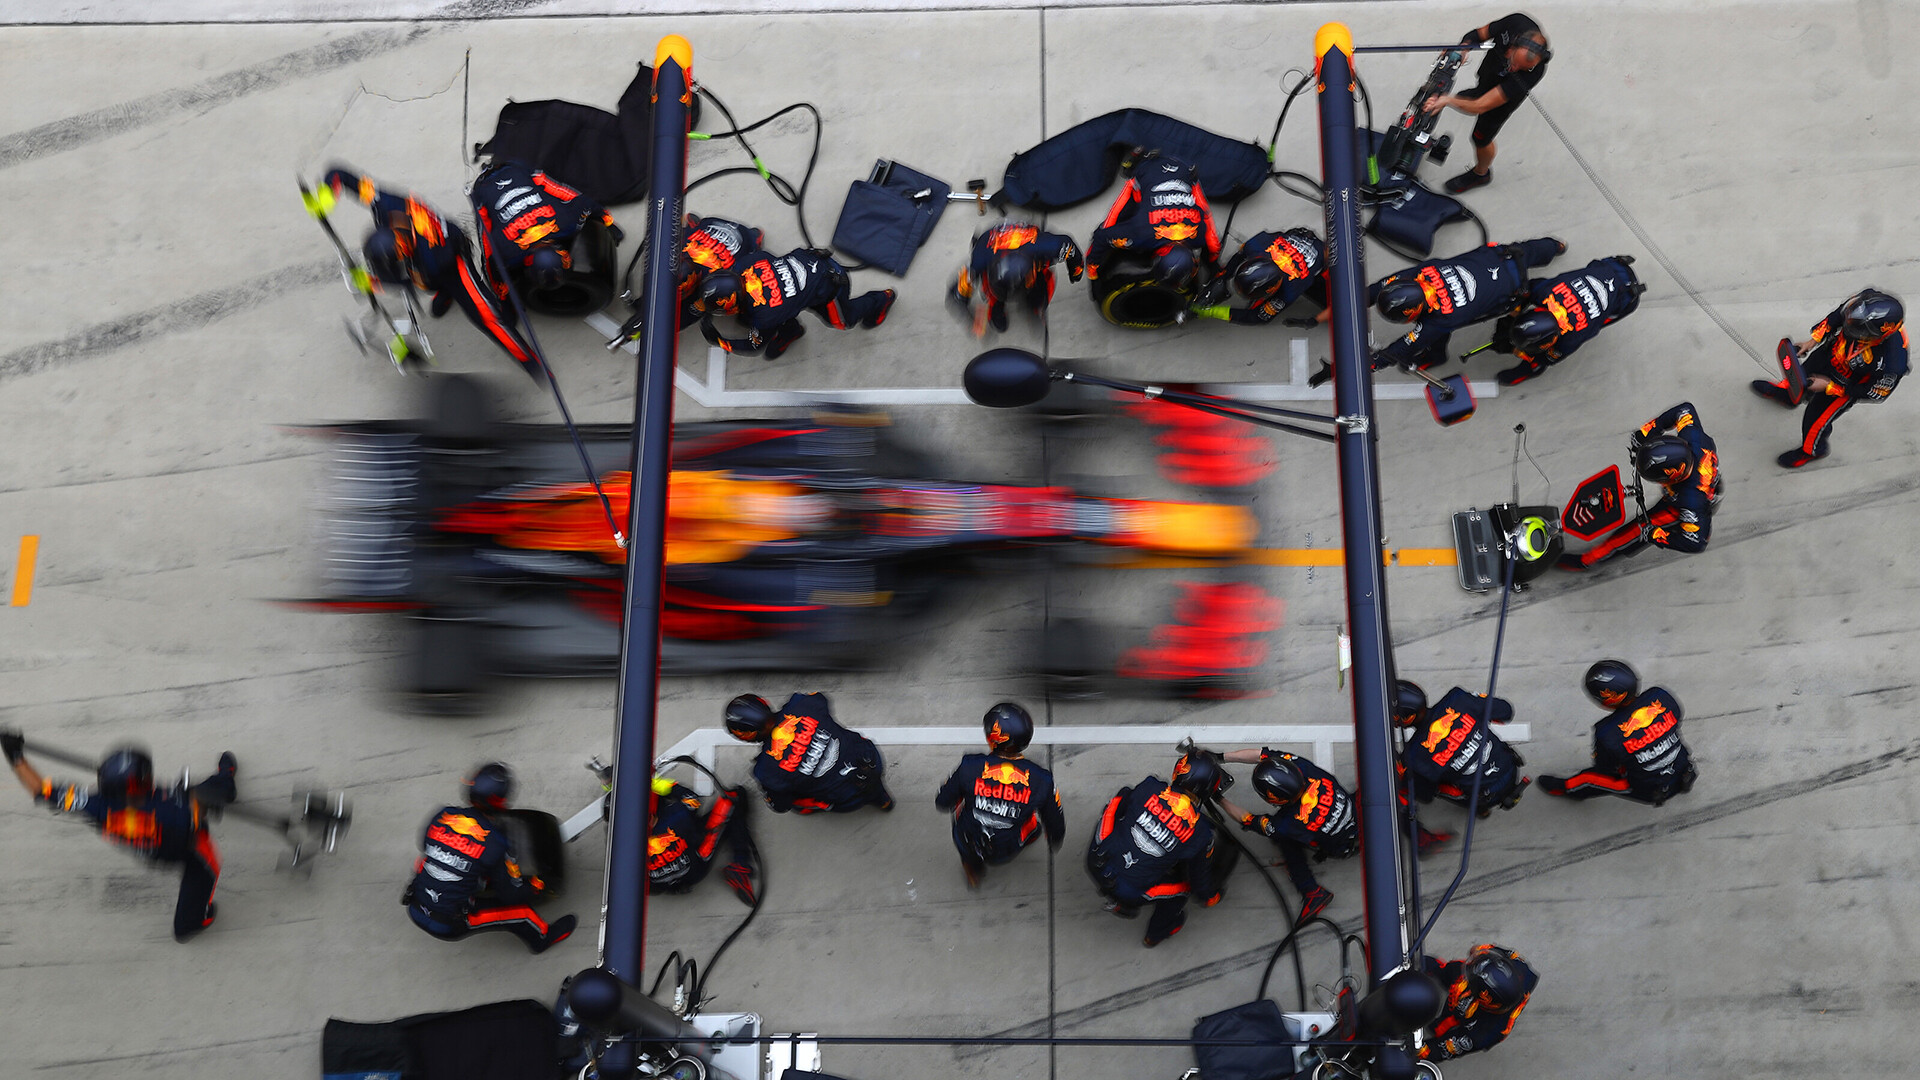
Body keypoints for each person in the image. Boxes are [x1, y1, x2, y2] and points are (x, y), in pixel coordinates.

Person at [315, 166, 543, 381]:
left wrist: (374, 283)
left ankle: (533, 365)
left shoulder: (431, 259)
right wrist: (327, 192)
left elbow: (411, 283)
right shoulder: (382, 202)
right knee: (433, 286)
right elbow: (340, 174)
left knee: (487, 318)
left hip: (453, 262)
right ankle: (446, 293)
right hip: (429, 259)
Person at [4, 734, 236, 942]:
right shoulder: (169, 812)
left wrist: (15, 757)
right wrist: (195, 803)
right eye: (145, 778)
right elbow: (195, 819)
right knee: (206, 864)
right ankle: (193, 922)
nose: (150, 778)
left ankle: (188, 921)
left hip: (153, 851)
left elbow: (41, 790)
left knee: (193, 795)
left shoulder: (93, 804)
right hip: (185, 845)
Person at [1309, 238, 1563, 384]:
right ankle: (1556, 246)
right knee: (1530, 250)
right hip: (1503, 256)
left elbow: (1392, 354)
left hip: (1514, 291)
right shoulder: (1421, 274)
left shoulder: (1441, 318)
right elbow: (1377, 290)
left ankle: (1437, 353)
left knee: (1532, 304)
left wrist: (1338, 370)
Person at [402, 763, 577, 953]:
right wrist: (537, 885)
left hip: (414, 907)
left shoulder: (441, 815)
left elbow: (426, 847)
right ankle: (542, 939)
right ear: (501, 800)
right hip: (449, 923)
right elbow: (510, 894)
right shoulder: (496, 843)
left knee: (430, 860)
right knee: (522, 913)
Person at [1085, 751, 1236, 947]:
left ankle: (1119, 886)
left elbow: (1118, 803)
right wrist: (1210, 896)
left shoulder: (1150, 787)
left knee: (1120, 800)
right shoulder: (1200, 833)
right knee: (1182, 891)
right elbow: (1198, 878)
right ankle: (1155, 935)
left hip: (1096, 859)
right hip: (1129, 889)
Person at [1751, 288, 1908, 468]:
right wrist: (1813, 341)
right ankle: (1789, 396)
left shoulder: (1893, 363)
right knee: (1799, 374)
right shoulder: (1861, 304)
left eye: (1855, 328)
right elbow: (1838, 315)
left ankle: (1814, 450)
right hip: (1830, 354)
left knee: (1814, 420)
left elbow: (1874, 393)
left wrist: (1829, 387)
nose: (1848, 327)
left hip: (1845, 386)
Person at [1558, 401, 1720, 571]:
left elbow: (1697, 542)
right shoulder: (1693, 435)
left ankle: (1587, 561)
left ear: (1672, 475)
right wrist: (1645, 434)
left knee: (1633, 533)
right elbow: (1685, 409)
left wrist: (1656, 535)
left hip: (1678, 506)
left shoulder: (1690, 502)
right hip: (1702, 479)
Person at [1216, 747, 1355, 924]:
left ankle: (1312, 891)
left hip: (1341, 847)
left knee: (1285, 841)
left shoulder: (1286, 824)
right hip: (1356, 816)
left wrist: (1218, 797)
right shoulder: (1303, 766)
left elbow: (1247, 819)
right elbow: (1262, 755)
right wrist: (1220, 757)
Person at [933, 703, 1066, 888]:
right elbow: (1056, 825)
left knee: (965, 836)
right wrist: (1055, 839)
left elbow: (943, 802)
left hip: (967, 837)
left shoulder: (969, 766)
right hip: (1007, 848)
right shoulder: (1041, 780)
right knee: (1032, 825)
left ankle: (973, 872)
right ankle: (1030, 835)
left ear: (992, 738)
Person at [1422, 14, 1552, 193]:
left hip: (1499, 103)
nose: (1513, 69)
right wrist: (1463, 48)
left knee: (1480, 138)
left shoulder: (1532, 73)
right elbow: (1480, 33)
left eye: (1522, 68)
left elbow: (1481, 105)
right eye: (1514, 62)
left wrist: (1446, 100)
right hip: (1488, 77)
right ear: (1512, 45)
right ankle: (1470, 96)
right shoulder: (1516, 22)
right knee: (1472, 95)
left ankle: (1481, 174)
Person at [1540, 659, 1697, 804]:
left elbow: (1604, 767)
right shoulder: (1662, 696)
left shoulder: (1607, 732)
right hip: (1684, 769)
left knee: (1589, 778)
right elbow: (1676, 722)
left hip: (1650, 790)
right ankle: (1684, 784)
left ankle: (1565, 789)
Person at [695, 248, 896, 360]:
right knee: (757, 316)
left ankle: (882, 299)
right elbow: (770, 263)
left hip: (829, 286)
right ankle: (792, 331)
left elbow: (753, 347)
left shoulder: (766, 314)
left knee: (843, 321)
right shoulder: (746, 263)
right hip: (810, 266)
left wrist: (720, 341)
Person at [471, 159, 623, 300]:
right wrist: (502, 295)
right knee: (484, 222)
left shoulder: (567, 223)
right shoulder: (507, 253)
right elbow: (487, 250)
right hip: (487, 186)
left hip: (515, 172)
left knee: (555, 187)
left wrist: (608, 222)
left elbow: (585, 202)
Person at [724, 692, 894, 813]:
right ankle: (883, 800)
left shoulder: (766, 771)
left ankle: (876, 800)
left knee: (796, 804)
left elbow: (780, 806)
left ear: (747, 735)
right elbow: (820, 698)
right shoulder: (800, 703)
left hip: (846, 798)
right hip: (871, 759)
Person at [1492, 254, 1645, 386]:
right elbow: (1526, 291)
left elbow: (1549, 358)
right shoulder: (1543, 292)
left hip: (1625, 295)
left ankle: (1532, 368)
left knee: (1597, 321)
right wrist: (1513, 316)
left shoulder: (1570, 339)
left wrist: (1519, 352)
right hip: (1610, 266)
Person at [1086, 150, 1223, 289]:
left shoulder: (1200, 236)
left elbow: (1212, 235)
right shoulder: (1140, 235)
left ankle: (1213, 268)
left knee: (1209, 234)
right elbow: (1102, 236)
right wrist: (1092, 269)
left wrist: (1214, 266)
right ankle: (1137, 160)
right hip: (1151, 168)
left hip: (1184, 169)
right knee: (1112, 223)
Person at [1392, 680, 1529, 817]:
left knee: (1428, 782)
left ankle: (1480, 808)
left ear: (1407, 718)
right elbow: (1506, 711)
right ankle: (1482, 809)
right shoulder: (1458, 698)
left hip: (1486, 796)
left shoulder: (1414, 756)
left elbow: (1424, 796)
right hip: (1511, 768)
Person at [949, 223, 1085, 334]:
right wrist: (969, 314)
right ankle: (996, 306)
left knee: (1041, 287)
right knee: (992, 292)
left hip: (1031, 255)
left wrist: (1076, 270)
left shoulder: (1046, 248)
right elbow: (957, 294)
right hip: (994, 256)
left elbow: (1070, 247)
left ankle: (1035, 304)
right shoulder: (979, 260)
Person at [1418, 944, 1540, 1062]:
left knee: (1439, 1027)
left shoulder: (1485, 1034)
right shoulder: (1523, 969)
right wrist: (1480, 951)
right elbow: (1495, 951)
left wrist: (1418, 1050)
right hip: (1479, 980)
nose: (1462, 978)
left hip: (1469, 1015)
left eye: (1467, 981)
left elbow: (1442, 1049)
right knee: (1447, 969)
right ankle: (1420, 964)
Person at [649, 775, 757, 904]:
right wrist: (661, 785)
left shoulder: (622, 846)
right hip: (695, 869)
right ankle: (740, 865)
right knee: (735, 798)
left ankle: (675, 887)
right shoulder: (676, 816)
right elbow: (693, 799)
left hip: (662, 884)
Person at [1194, 228, 1328, 326]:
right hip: (1297, 236)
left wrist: (1214, 312)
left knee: (1328, 300)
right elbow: (1238, 257)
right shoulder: (1254, 245)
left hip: (1323, 256)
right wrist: (1222, 277)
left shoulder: (1290, 291)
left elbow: (1256, 317)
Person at [677, 213, 766, 322]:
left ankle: (753, 242)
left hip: (742, 237)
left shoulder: (716, 279)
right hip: (713, 226)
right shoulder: (683, 244)